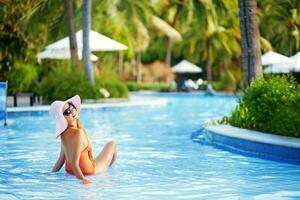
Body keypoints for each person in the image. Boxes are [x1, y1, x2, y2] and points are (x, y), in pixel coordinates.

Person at [49, 95, 117, 184]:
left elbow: (61, 160)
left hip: (69, 170)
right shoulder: (79, 133)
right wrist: (82, 179)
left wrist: (51, 174)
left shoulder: (63, 134)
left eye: (71, 106)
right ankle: (110, 170)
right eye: (67, 111)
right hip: (86, 171)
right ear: (63, 118)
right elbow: (74, 163)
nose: (72, 110)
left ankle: (107, 168)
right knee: (112, 144)